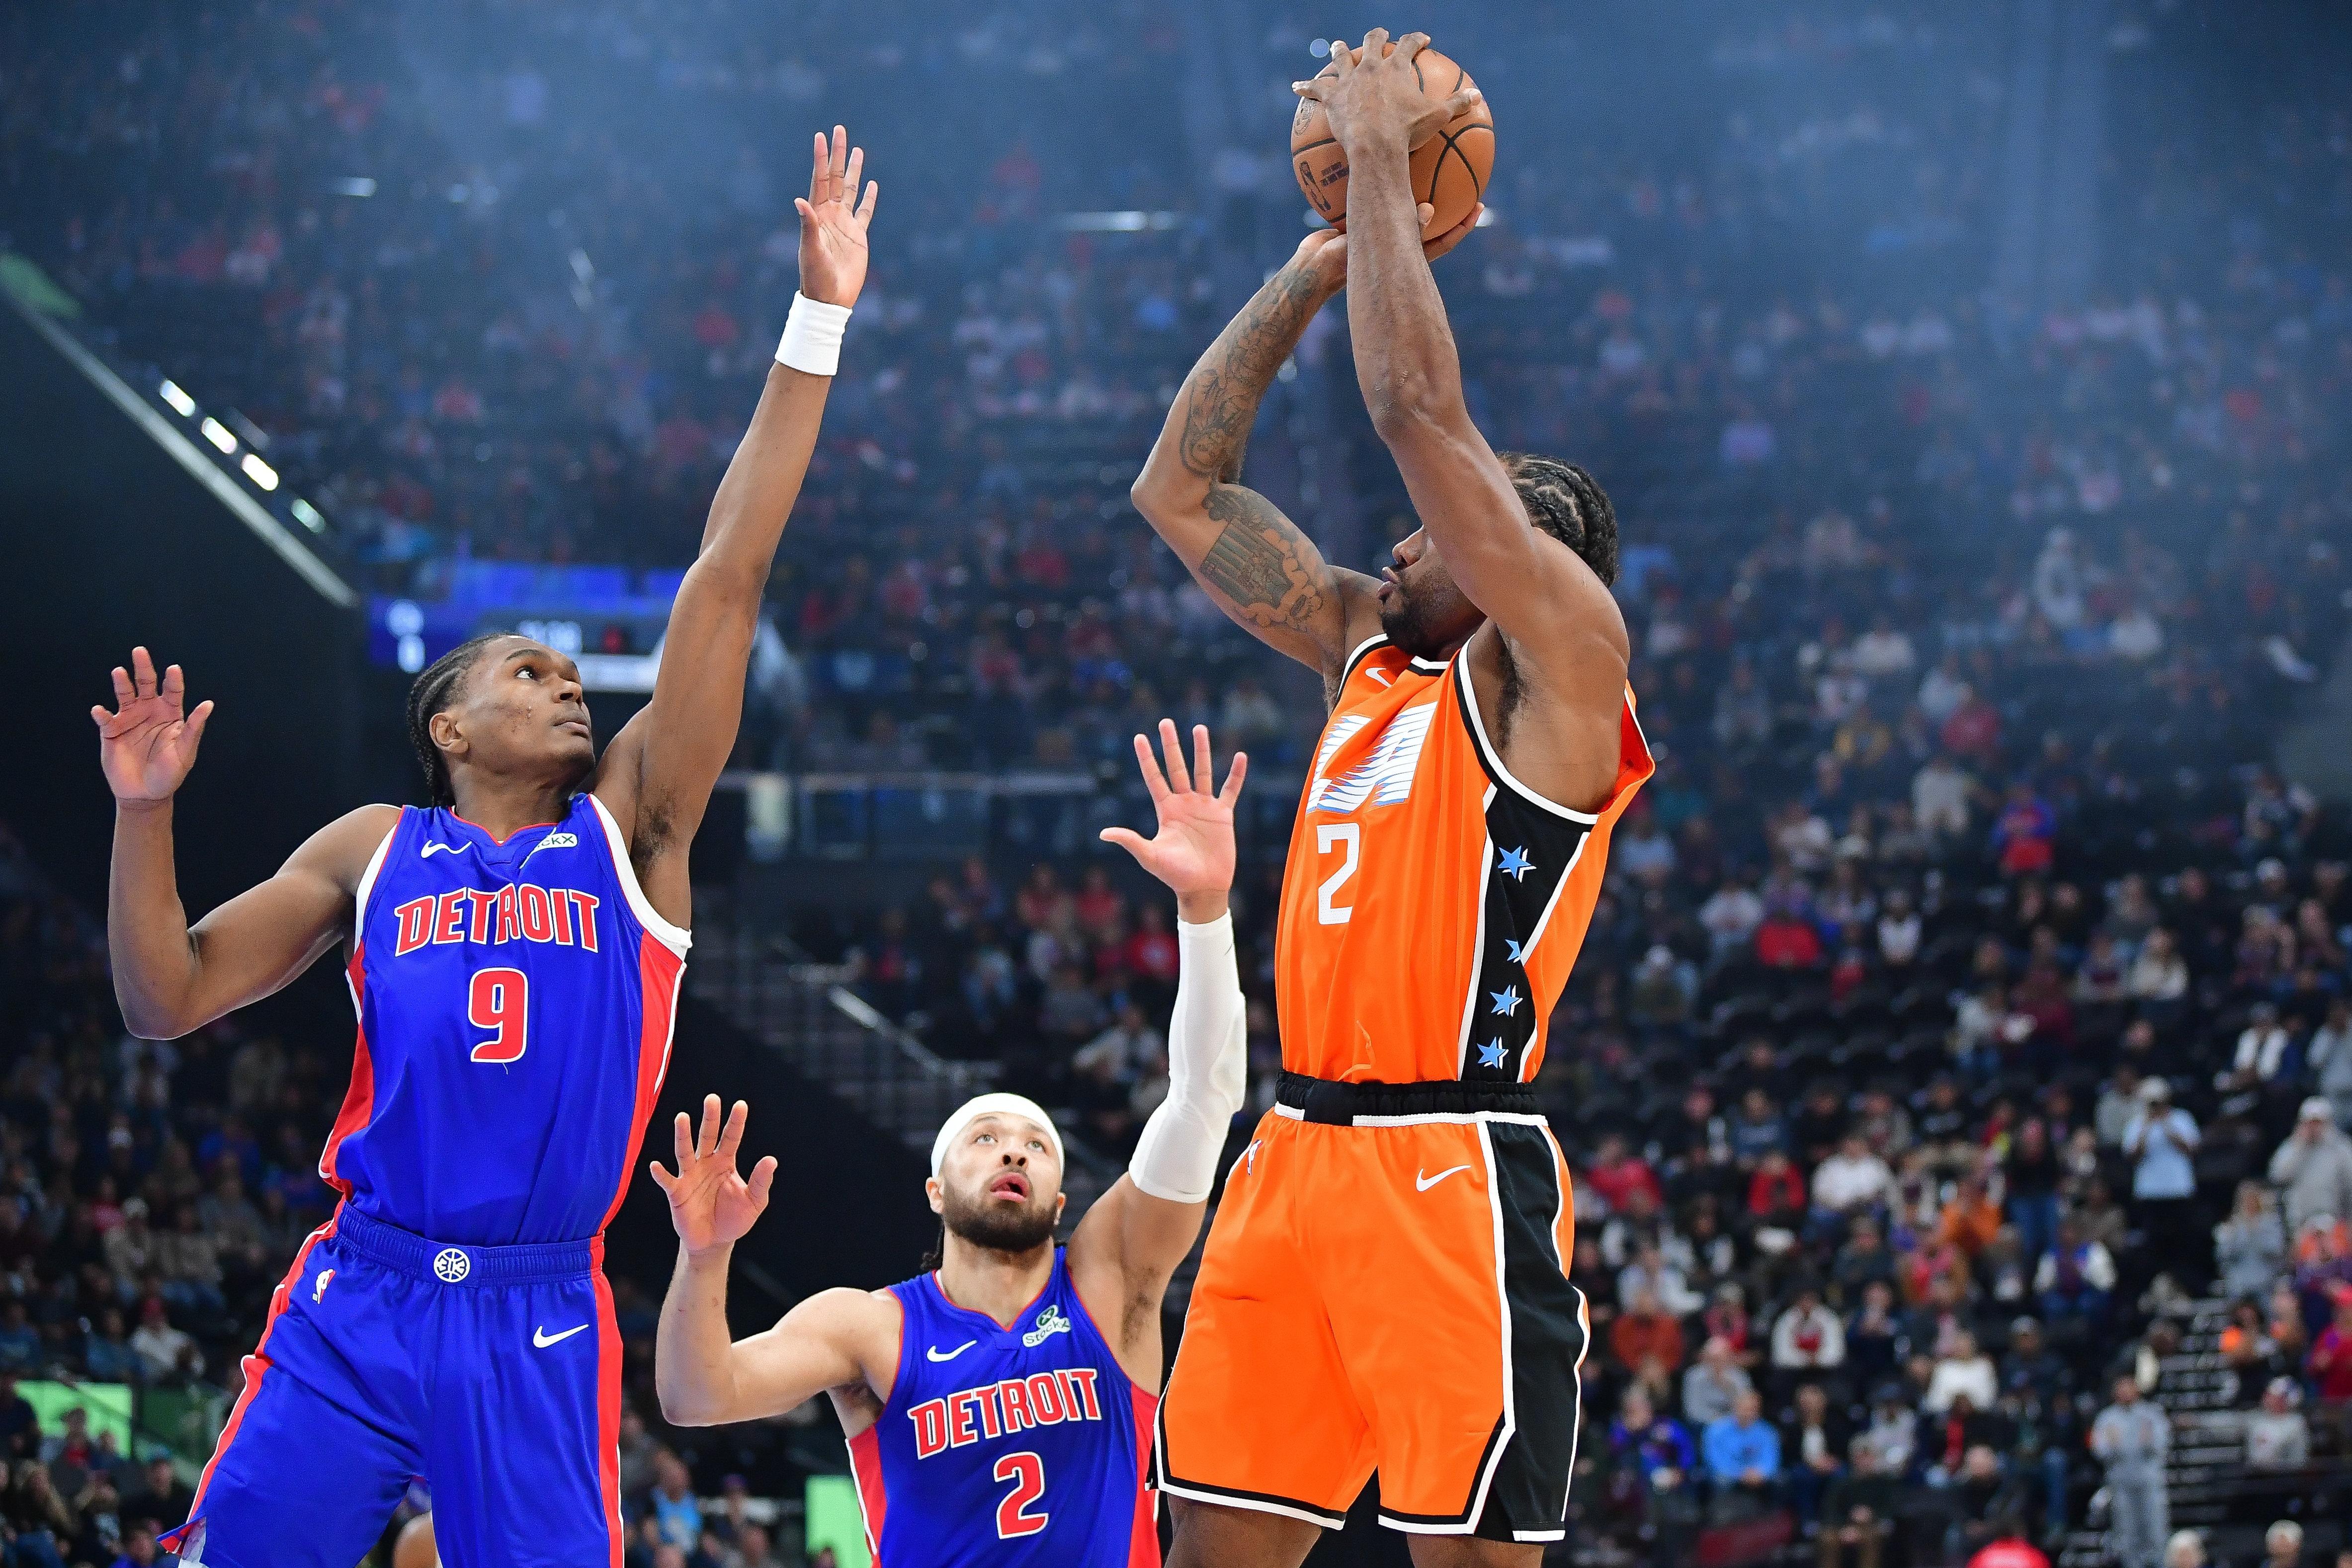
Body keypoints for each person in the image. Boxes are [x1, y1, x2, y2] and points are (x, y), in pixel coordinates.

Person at [92, 129, 881, 1568]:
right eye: (527, 671)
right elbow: (165, 996)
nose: (567, 685)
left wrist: (816, 317)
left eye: (570, 675)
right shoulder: (374, 849)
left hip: (539, 1305)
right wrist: (145, 814)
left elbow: (728, 572)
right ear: (447, 726)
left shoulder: (631, 828)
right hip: (364, 1286)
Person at [1130, 29, 1652, 1560]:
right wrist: (1310, 269)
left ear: (1513, 553)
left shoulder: (1564, 671)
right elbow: (1178, 491)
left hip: (1449, 1170)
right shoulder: (1366, 654)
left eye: (1436, 531)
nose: (1398, 541)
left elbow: (1418, 416)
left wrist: (1375, 157)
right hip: (1290, 1157)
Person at [652, 725, 1248, 1566]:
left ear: (1060, 1200)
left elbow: (1202, 1098)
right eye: (986, 1137)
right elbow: (694, 1397)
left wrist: (1205, 910)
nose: (1014, 1152)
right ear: (934, 1188)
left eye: (1036, 1145)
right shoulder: (870, 1326)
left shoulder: (1111, 1279)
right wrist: (705, 1255)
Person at [2090, 1373, 2169, 1568]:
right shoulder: (2107, 1418)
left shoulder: (2152, 1414)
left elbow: (2163, 1444)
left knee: (2156, 1529)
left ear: (2137, 1389)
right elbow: (2098, 1449)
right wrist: (2113, 1446)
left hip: (2149, 1482)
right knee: (2126, 1533)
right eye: (2121, 1387)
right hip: (2121, 1484)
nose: (2125, 1392)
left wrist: (2149, 1440)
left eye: (2129, 1387)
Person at [2122, 1080, 2201, 1274]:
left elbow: (2191, 1149)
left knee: (2182, 1243)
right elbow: (2132, 1156)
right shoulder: (2137, 1123)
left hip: (2179, 1190)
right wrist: (2146, 1127)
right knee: (2153, 1245)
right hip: (2150, 1192)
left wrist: (2167, 1126)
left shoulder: (2182, 1118)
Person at [2270, 1098, 2352, 1235]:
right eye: (2310, 1123)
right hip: (2300, 1223)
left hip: (2335, 1221)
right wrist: (2300, 1146)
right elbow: (2277, 1176)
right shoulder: (2292, 1147)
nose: (2314, 1127)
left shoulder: (2342, 1148)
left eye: (2318, 1123)